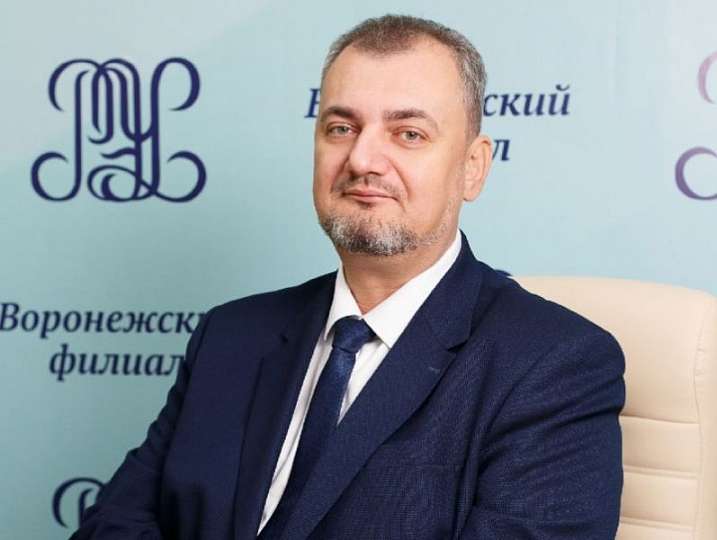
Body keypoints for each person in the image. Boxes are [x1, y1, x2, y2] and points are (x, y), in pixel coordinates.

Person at [72, 14, 625, 540]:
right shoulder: (232, 335)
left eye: (408, 134)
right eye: (341, 127)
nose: (362, 159)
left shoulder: (555, 364)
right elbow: (110, 525)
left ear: (472, 167)